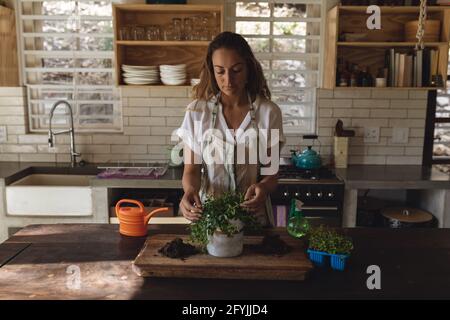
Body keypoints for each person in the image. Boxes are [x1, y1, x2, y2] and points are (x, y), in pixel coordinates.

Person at [176, 31, 285, 227]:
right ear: (211, 71)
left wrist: (263, 188)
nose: (228, 80)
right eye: (220, 71)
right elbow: (191, 169)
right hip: (209, 218)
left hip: (252, 217)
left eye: (236, 70)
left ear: (249, 68)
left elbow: (272, 174)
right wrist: (190, 191)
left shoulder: (269, 113)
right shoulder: (197, 113)